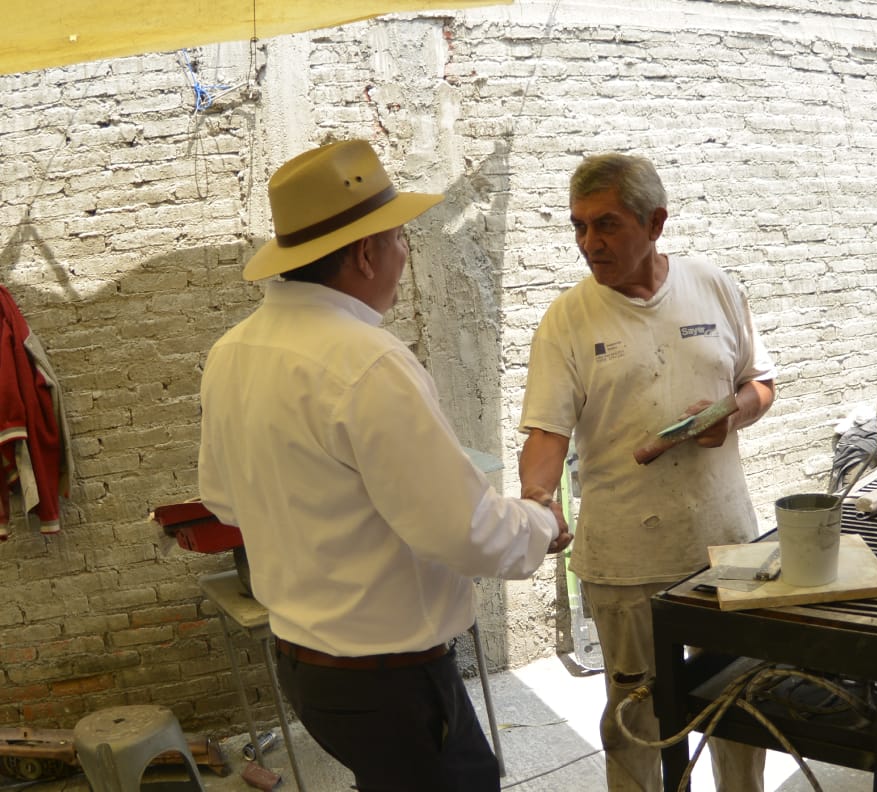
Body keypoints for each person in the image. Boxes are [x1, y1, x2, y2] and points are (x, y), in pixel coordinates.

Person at [198, 139, 571, 792]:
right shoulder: (367, 361)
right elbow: (464, 532)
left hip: (309, 671)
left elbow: (223, 499)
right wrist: (541, 521)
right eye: (400, 239)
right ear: (366, 253)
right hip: (388, 681)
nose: (405, 253)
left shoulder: (233, 350)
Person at [517, 152, 776, 792]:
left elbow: (759, 384)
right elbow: (546, 431)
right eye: (578, 227)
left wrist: (731, 415)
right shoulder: (567, 320)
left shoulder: (712, 285)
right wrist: (538, 497)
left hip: (725, 544)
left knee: (737, 706)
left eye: (606, 224)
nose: (589, 243)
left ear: (655, 223)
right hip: (625, 560)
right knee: (636, 719)